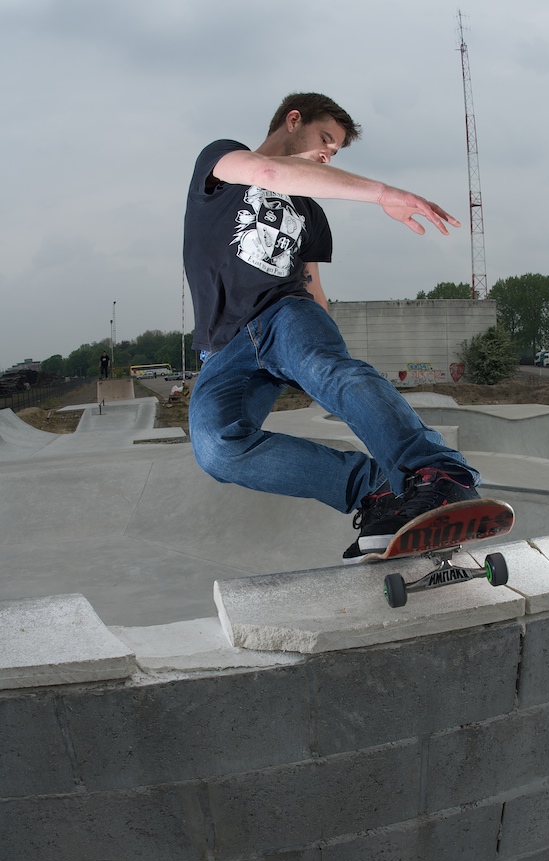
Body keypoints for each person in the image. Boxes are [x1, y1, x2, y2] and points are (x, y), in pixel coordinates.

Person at [184, 92, 481, 561]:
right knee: (216, 447)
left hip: (285, 315)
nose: (328, 154)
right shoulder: (222, 160)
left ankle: (438, 475)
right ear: (293, 120)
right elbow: (269, 173)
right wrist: (382, 193)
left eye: (336, 151)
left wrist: (327, 359)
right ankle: (376, 489)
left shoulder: (311, 213)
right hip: (225, 347)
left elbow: (313, 288)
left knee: (327, 369)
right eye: (325, 140)